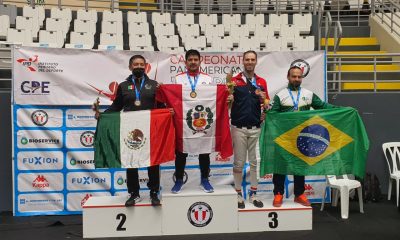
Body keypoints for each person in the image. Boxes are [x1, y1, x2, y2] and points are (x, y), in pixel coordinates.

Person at [95, 55, 162, 207]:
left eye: (141, 64)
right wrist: (102, 115)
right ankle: (134, 193)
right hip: (130, 130)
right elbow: (116, 106)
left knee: (153, 160)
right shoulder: (123, 86)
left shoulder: (154, 85)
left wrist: (168, 112)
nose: (139, 66)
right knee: (131, 161)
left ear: (145, 66)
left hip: (150, 128)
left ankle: (153, 192)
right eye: (136, 64)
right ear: (130, 67)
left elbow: (161, 106)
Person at [271, 66, 336, 207]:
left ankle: (299, 194)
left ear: (302, 78)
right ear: (288, 77)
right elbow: (273, 115)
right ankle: (278, 193)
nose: (296, 79)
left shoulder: (308, 94)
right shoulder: (280, 95)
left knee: (299, 167)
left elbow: (322, 106)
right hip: (283, 138)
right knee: (280, 167)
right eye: (294, 76)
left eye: (299, 77)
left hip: (301, 138)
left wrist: (340, 109)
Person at [170, 49, 215, 194]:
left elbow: (213, 99)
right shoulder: (178, 79)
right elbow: (173, 98)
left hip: (201, 119)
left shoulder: (208, 79)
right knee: (181, 152)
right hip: (183, 120)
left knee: (204, 151)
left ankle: (204, 179)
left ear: (200, 61)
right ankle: (178, 180)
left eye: (196, 59)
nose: (193, 62)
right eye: (190, 60)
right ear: (186, 62)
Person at [230, 50, 269, 209]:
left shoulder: (261, 81)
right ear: (243, 61)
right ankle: (238, 193)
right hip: (238, 128)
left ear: (256, 61)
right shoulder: (234, 81)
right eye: (247, 59)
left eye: (252, 59)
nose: (250, 62)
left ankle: (254, 193)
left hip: (256, 128)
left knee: (255, 162)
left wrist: (265, 111)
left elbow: (267, 102)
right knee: (238, 163)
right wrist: (229, 99)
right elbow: (226, 104)